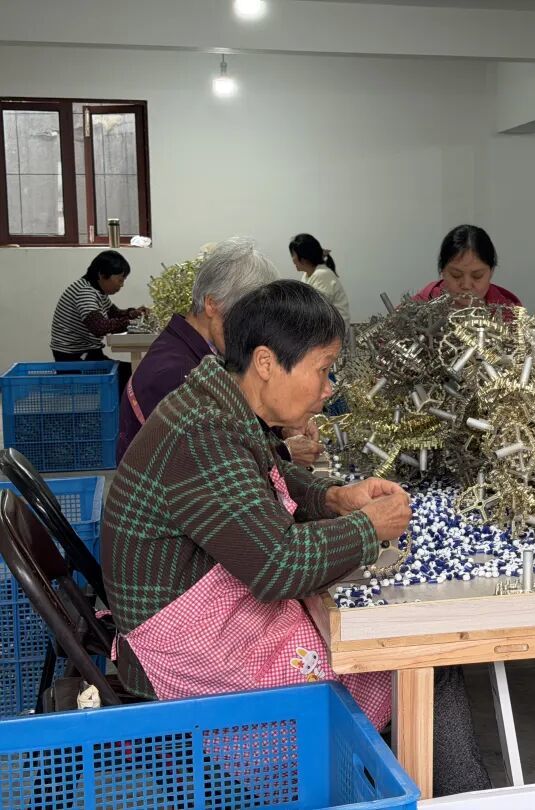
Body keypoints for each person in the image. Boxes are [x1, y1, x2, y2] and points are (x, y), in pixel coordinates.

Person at [103, 280, 491, 796]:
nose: (329, 388)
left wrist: (335, 499)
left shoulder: (219, 403)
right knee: (418, 660)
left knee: (403, 653)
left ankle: (402, 784)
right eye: (323, 369)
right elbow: (278, 567)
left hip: (209, 620)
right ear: (266, 362)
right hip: (195, 657)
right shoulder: (203, 434)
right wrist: (369, 527)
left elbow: (266, 476)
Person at [117, 237, 282, 462]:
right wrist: (284, 451)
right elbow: (215, 462)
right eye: (246, 320)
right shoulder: (175, 374)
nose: (252, 335)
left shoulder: (199, 353)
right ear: (212, 304)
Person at [50, 250, 147, 392]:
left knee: (136, 372)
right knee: (134, 376)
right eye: (120, 280)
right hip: (74, 360)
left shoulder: (97, 291)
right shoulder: (84, 292)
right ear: (102, 275)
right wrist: (131, 323)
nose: (121, 285)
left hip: (88, 355)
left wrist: (133, 313)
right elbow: (100, 327)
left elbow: (114, 314)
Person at [413, 225, 522, 307]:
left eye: (477, 276)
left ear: (491, 272)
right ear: (442, 271)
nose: (466, 285)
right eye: (456, 275)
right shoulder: (417, 309)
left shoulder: (509, 312)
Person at [290, 233, 352, 330]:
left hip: (333, 332)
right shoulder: (307, 276)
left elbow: (315, 311)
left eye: (293, 254)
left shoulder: (322, 274)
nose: (293, 260)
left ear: (304, 257)